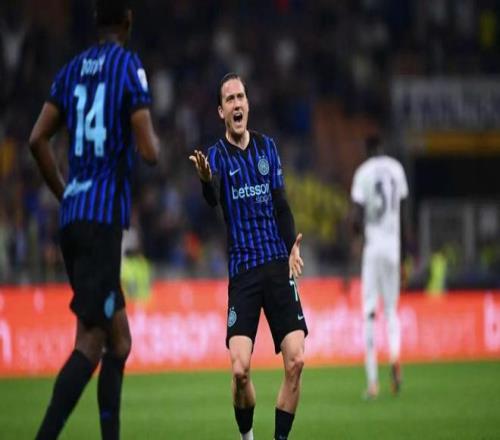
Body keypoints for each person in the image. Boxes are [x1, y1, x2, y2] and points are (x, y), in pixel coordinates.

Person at [28, 1, 159, 438]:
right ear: (128, 21)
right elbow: (149, 150)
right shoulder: (128, 66)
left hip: (74, 218)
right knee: (90, 342)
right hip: (101, 223)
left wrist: (66, 192)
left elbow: (37, 139)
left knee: (120, 342)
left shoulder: (70, 71)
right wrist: (152, 141)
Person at [189, 73, 308, 440]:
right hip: (244, 271)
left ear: (248, 104)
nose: (237, 104)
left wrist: (292, 247)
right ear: (221, 111)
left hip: (277, 264)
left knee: (296, 360)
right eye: (230, 99)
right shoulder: (215, 156)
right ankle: (247, 437)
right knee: (239, 371)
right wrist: (205, 180)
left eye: (241, 97)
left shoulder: (267, 148)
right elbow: (212, 199)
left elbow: (281, 205)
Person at [350, 135, 409, 399]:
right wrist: (405, 256)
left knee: (369, 313)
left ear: (366, 150)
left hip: (373, 247)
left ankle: (373, 382)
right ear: (383, 148)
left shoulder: (363, 172)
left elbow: (356, 215)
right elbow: (403, 214)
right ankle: (395, 356)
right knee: (392, 311)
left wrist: (356, 236)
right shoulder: (397, 169)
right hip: (393, 247)